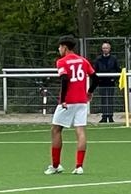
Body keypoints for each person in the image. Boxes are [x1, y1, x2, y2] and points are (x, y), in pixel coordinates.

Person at [47, 36, 97, 175]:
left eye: (59, 47)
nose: (59, 49)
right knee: (80, 131)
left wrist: (63, 99)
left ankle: (56, 165)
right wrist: (90, 92)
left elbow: (64, 79)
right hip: (81, 101)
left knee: (56, 130)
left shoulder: (62, 62)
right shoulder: (83, 60)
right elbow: (95, 78)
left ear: (64, 47)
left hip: (68, 101)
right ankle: (79, 166)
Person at [92, 42, 120, 123]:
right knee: (103, 99)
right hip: (102, 82)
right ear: (102, 49)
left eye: (106, 48)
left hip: (111, 82)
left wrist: (114, 78)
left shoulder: (114, 59)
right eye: (104, 48)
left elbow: (118, 69)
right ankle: (104, 116)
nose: (105, 49)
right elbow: (95, 70)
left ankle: (110, 117)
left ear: (109, 49)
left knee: (110, 99)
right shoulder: (98, 59)